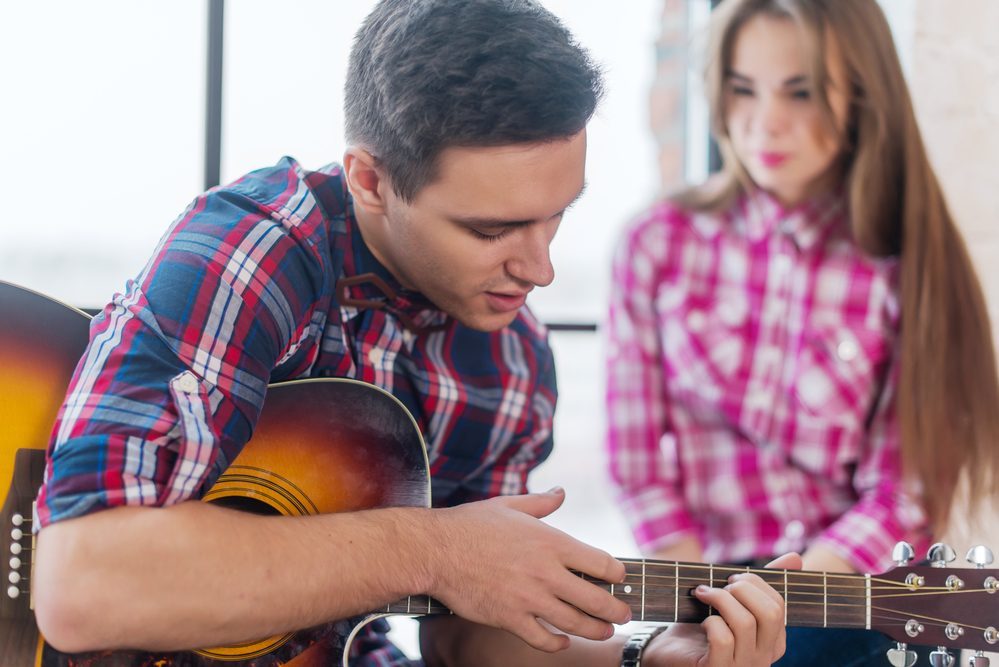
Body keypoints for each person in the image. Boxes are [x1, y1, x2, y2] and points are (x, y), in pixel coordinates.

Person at [31, 1, 793, 666]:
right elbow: (84, 584)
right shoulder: (257, 252)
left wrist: (647, 655)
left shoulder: (512, 356)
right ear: (368, 179)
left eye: (557, 214)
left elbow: (465, 635)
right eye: (492, 227)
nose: (540, 269)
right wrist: (433, 547)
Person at [605, 0, 999, 664]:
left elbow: (900, 491)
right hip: (700, 588)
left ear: (861, 96)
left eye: (801, 91)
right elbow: (638, 468)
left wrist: (786, 600)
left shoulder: (899, 264)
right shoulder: (655, 243)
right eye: (742, 88)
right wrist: (694, 607)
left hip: (844, 596)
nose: (764, 121)